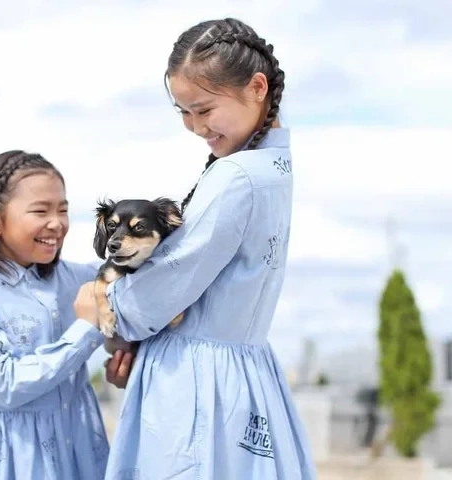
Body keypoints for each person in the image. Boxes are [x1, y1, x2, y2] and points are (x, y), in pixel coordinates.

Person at [74, 18, 316, 479]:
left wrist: (105, 306)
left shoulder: (235, 176)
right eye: (183, 112)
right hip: (245, 373)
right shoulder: (274, 168)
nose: (194, 126)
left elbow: (158, 294)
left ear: (257, 87)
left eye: (204, 110)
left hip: (195, 381)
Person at [0, 150, 109, 479]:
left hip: (80, 449)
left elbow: (142, 285)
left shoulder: (80, 278)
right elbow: (6, 384)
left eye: (63, 209)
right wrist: (85, 329)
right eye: (41, 211)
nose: (57, 223)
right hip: (12, 460)